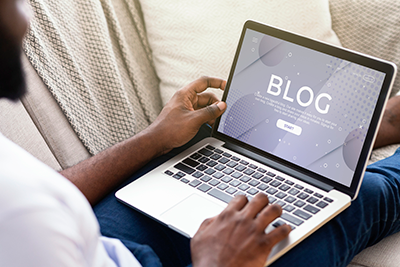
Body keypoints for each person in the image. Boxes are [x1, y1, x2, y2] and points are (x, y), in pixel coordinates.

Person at [1, 0, 400, 266]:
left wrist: (154, 138)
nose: (26, 16)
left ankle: (349, 134)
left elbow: (41, 190)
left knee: (201, 155)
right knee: (360, 200)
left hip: (106, 242)